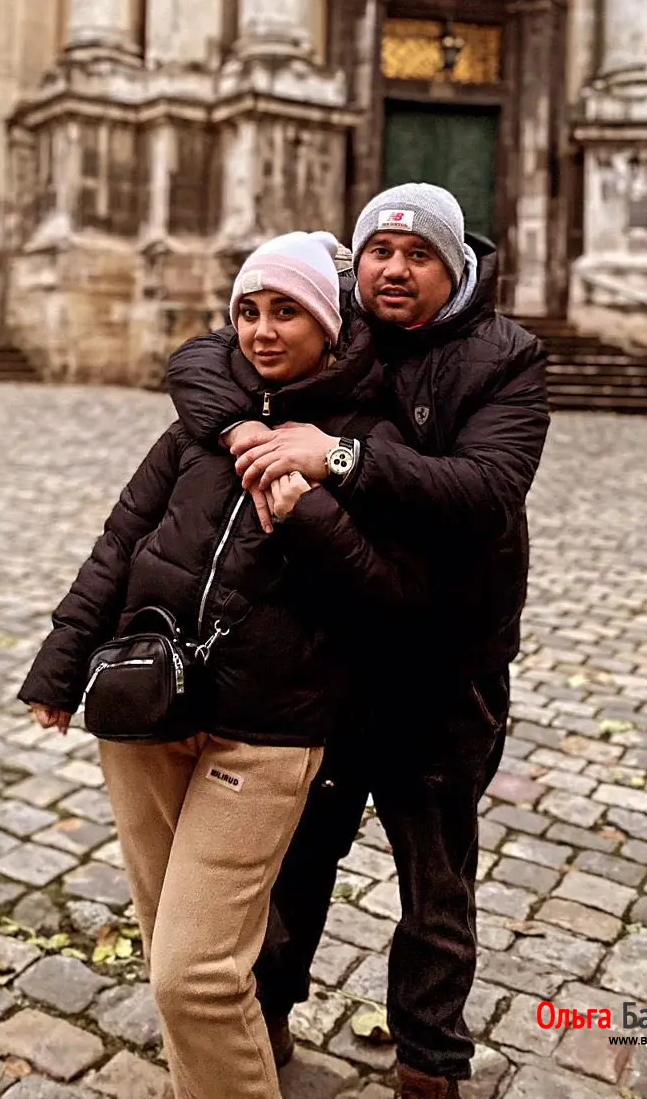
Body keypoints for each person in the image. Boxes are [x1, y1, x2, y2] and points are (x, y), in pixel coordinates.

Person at [17, 231, 427, 1099]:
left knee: (193, 977)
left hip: (266, 734)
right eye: (248, 310)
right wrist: (60, 668)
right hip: (144, 710)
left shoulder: (367, 443)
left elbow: (392, 599)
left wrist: (311, 513)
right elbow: (120, 544)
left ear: (330, 324)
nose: (263, 330)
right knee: (171, 944)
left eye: (287, 311)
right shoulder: (202, 421)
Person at [165, 185, 551, 1099]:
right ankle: (264, 1022)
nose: (394, 270)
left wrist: (334, 456)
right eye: (379, 250)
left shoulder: (507, 356)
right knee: (297, 861)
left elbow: (488, 490)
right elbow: (200, 357)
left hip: (447, 664)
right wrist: (245, 428)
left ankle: (428, 1064)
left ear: (456, 267)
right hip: (333, 648)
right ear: (357, 258)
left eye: (419, 255)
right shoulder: (335, 316)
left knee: (436, 881)